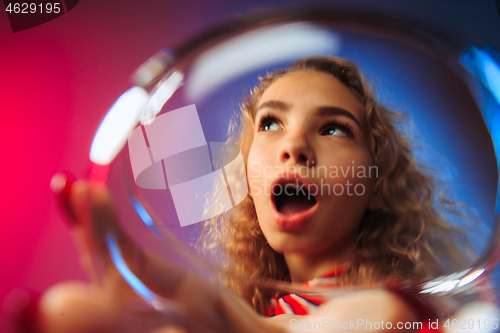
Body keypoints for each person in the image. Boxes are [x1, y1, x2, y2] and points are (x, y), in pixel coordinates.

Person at [36, 56, 470, 333]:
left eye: (334, 128)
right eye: (269, 123)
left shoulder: (405, 314)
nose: (293, 145)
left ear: (376, 184)